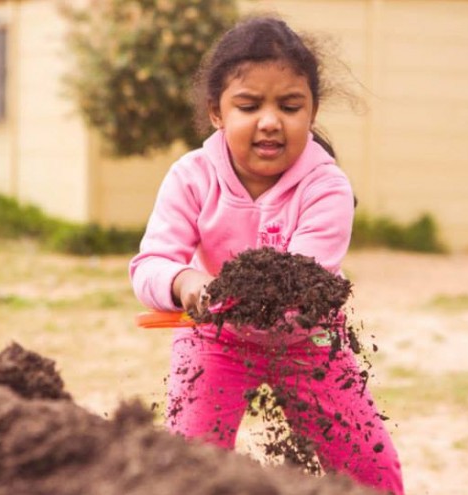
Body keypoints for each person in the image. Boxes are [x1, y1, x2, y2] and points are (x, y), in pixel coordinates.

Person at [129, 15, 404, 494]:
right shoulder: (191, 177)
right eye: (249, 105)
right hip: (214, 339)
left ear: (312, 112)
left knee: (372, 471)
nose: (271, 121)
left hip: (308, 343)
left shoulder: (326, 187)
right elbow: (150, 264)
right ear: (217, 112)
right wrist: (186, 283)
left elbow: (303, 283)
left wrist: (249, 299)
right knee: (187, 469)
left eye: (290, 105)